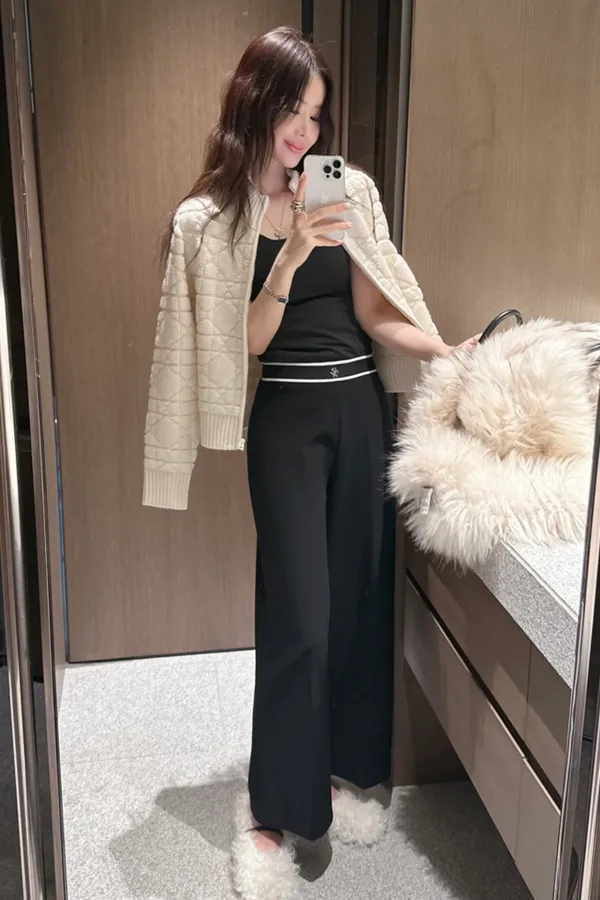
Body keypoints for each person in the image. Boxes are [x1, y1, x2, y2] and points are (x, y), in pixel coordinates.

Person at [142, 25, 479, 900]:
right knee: (299, 616)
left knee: (361, 602)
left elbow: (375, 311)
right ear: (255, 102)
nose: (304, 129)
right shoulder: (216, 218)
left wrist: (446, 349)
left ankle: (345, 773)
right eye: (292, 108)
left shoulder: (346, 189)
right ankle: (271, 815)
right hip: (287, 422)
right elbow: (249, 342)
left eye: (317, 113)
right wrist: (290, 251)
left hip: (361, 409)